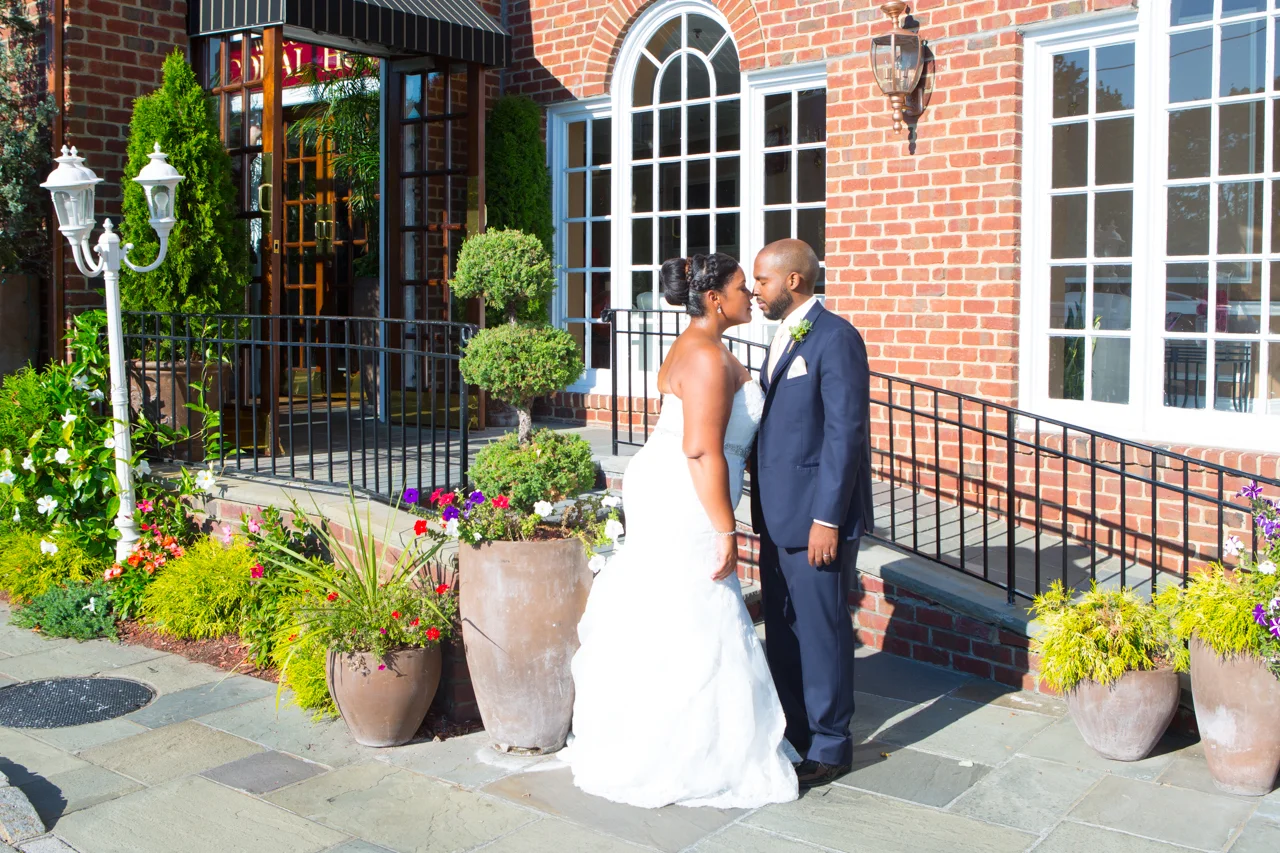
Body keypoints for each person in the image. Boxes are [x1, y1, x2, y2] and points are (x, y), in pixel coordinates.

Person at [563, 253, 799, 809]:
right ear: (715, 299)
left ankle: (674, 736)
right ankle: (689, 751)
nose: (750, 295)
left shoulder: (699, 344)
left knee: (672, 608)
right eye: (741, 287)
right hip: (685, 494)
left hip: (670, 481)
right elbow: (700, 450)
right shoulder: (709, 358)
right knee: (696, 608)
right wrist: (726, 530)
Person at [750, 239, 873, 789]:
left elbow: (845, 436)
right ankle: (797, 732)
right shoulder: (782, 334)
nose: (755, 290)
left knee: (823, 633)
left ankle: (830, 745)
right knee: (784, 631)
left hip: (815, 519)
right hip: (776, 514)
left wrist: (828, 519)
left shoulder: (836, 338)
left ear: (793, 280)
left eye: (762, 280)